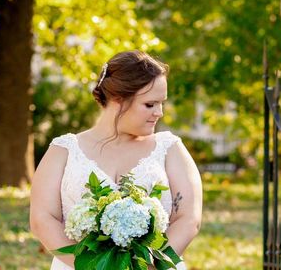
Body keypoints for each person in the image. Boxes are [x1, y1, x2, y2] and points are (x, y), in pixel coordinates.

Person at [30, 50, 203, 269]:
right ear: (117, 99)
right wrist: (93, 266)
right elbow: (42, 219)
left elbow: (188, 219)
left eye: (162, 103)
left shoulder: (170, 148)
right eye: (150, 104)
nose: (159, 112)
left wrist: (146, 265)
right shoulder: (63, 150)